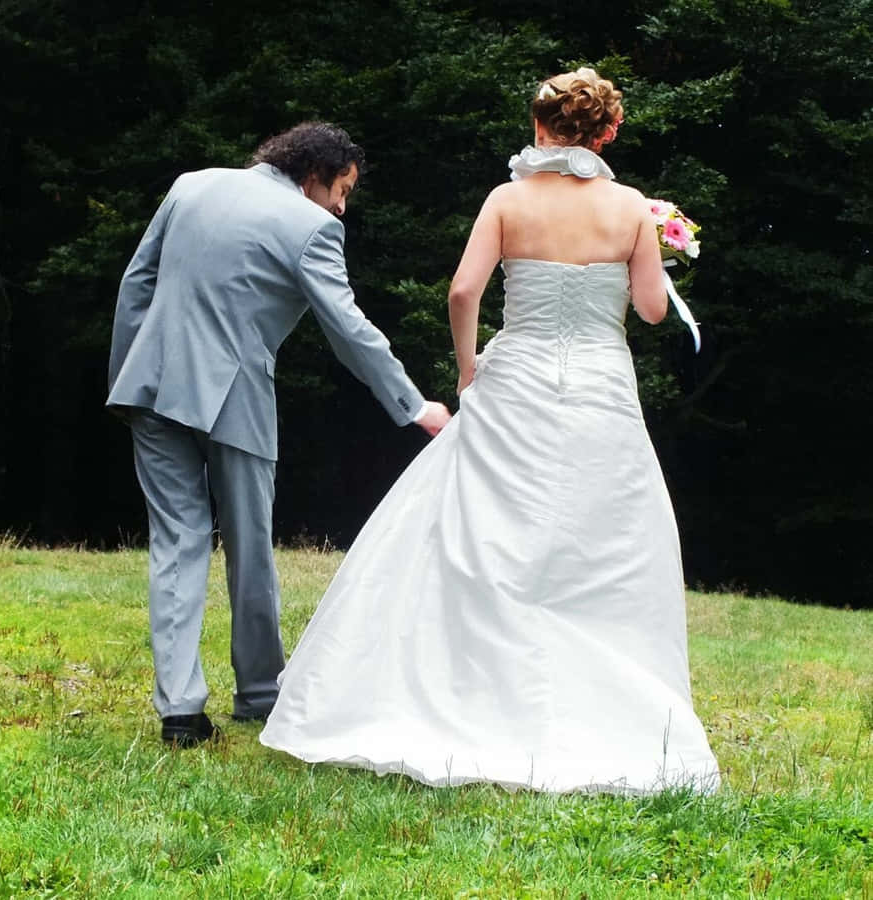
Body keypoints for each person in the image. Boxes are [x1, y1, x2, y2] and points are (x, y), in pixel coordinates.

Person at [259, 71, 719, 793]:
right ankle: (604, 703)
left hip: (519, 375)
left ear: (541, 128)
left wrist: (470, 367)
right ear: (604, 133)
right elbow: (654, 312)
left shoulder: (507, 199)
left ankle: (461, 682)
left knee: (480, 526)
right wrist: (656, 250)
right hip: (600, 382)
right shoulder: (631, 206)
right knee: (605, 531)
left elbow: (463, 291)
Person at [107, 122, 451, 748]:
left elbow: (138, 284)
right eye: (342, 189)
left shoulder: (192, 186)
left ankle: (180, 711)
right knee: (250, 547)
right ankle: (261, 693)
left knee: (176, 545)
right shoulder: (312, 228)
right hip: (233, 400)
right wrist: (413, 405)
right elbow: (349, 329)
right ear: (314, 174)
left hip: (151, 387)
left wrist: (127, 378)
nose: (343, 205)